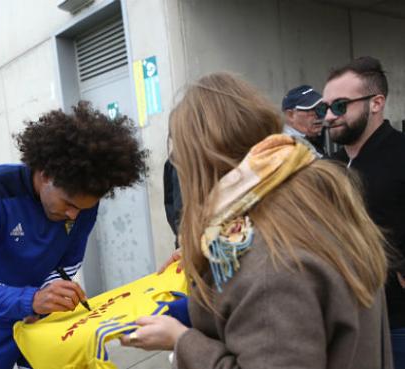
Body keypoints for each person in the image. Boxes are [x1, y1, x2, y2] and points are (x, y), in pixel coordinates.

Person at [119, 73, 392, 368]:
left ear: (201, 162)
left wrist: (182, 340)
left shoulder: (269, 258)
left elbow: (267, 301)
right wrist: (196, 308)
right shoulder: (307, 202)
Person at [0, 101, 148, 369]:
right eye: (68, 204)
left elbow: (67, 266)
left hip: (44, 315)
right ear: (45, 175)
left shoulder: (83, 203)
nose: (73, 216)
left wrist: (51, 297)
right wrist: (30, 300)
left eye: (83, 208)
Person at [319, 56, 405, 368]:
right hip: (342, 318)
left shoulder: (400, 154)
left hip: (396, 319)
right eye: (324, 108)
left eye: (340, 105)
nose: (329, 116)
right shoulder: (327, 168)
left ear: (376, 103)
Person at [281, 84, 326, 154]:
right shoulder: (286, 146)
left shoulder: (313, 137)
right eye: (311, 110)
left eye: (321, 109)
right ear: (291, 115)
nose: (319, 115)